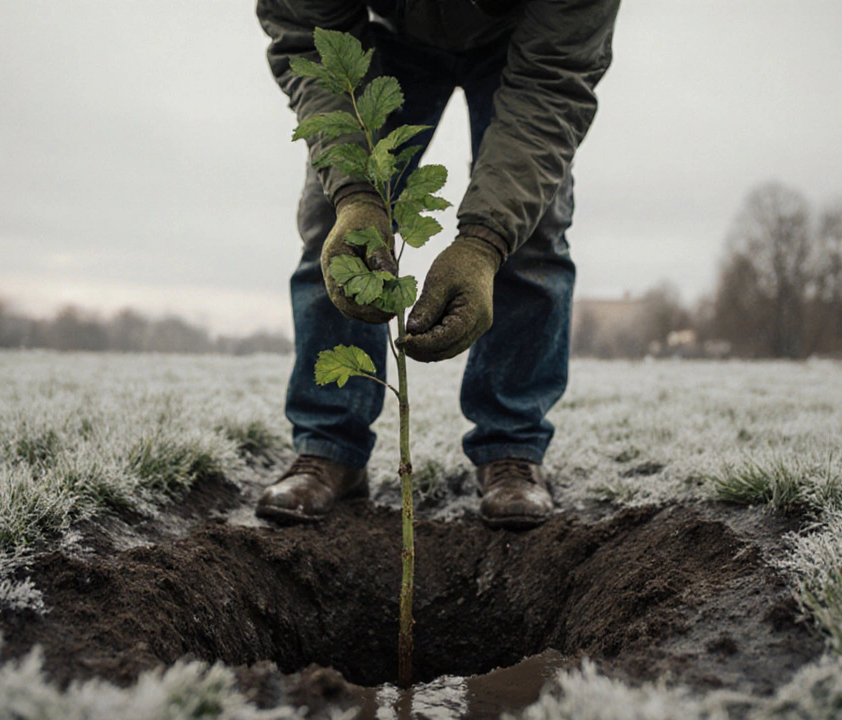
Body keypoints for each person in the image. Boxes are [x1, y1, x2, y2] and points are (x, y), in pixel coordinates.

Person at [255, 0, 619, 530]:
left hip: (525, 43)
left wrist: (483, 243)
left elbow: (553, 82)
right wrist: (356, 194)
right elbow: (308, 34)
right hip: (387, 35)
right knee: (332, 219)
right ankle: (330, 446)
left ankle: (511, 448)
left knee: (533, 230)